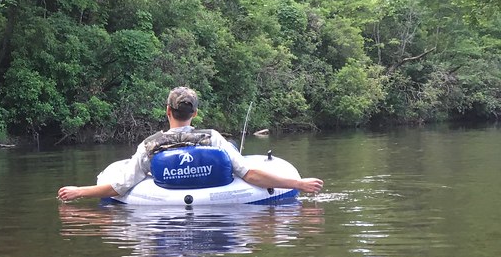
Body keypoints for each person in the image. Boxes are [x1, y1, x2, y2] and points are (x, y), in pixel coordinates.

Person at [57, 86, 323, 202]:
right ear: (195, 113)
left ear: (167, 111)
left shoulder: (151, 145)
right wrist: (299, 184)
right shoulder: (212, 138)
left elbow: (120, 186)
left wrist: (78, 191)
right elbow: (250, 174)